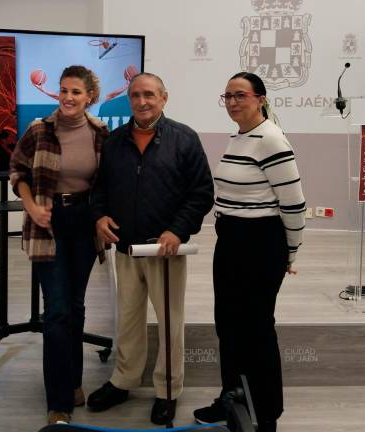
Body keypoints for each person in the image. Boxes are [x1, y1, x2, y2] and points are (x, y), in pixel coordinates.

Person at [87, 72, 214, 425]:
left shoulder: (184, 139)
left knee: (170, 324)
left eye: (149, 95)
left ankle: (168, 391)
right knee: (127, 320)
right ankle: (124, 380)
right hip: (125, 250)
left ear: (164, 97)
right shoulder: (114, 141)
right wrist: (99, 217)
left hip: (165, 251)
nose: (142, 102)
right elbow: (99, 191)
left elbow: (202, 193)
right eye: (135, 95)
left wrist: (177, 230)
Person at [193, 72, 305, 432]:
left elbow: (294, 203)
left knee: (256, 330)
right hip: (231, 242)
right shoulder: (240, 137)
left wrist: (290, 252)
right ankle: (233, 398)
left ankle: (267, 414)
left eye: (240, 95)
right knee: (228, 325)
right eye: (227, 96)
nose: (233, 102)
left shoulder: (271, 140)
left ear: (260, 98)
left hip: (261, 244)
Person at [9, 65, 110, 426]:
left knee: (77, 307)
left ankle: (74, 381)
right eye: (64, 90)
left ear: (90, 98)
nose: (68, 97)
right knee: (56, 310)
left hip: (84, 224)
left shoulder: (101, 133)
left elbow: (106, 182)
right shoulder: (39, 130)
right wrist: (32, 206)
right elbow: (17, 171)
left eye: (76, 92)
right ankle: (59, 402)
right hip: (46, 223)